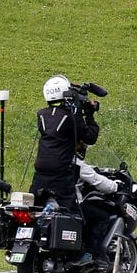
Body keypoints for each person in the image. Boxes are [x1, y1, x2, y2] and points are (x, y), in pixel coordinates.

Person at [29, 74, 100, 210]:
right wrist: (88, 114)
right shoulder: (71, 117)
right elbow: (90, 137)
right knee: (71, 214)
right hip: (61, 174)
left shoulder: (42, 115)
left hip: (40, 172)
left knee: (33, 209)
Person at [73, 141, 120, 269]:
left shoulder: (51, 159)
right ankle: (91, 254)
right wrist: (115, 186)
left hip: (50, 203)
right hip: (72, 204)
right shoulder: (75, 163)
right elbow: (96, 180)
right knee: (102, 217)